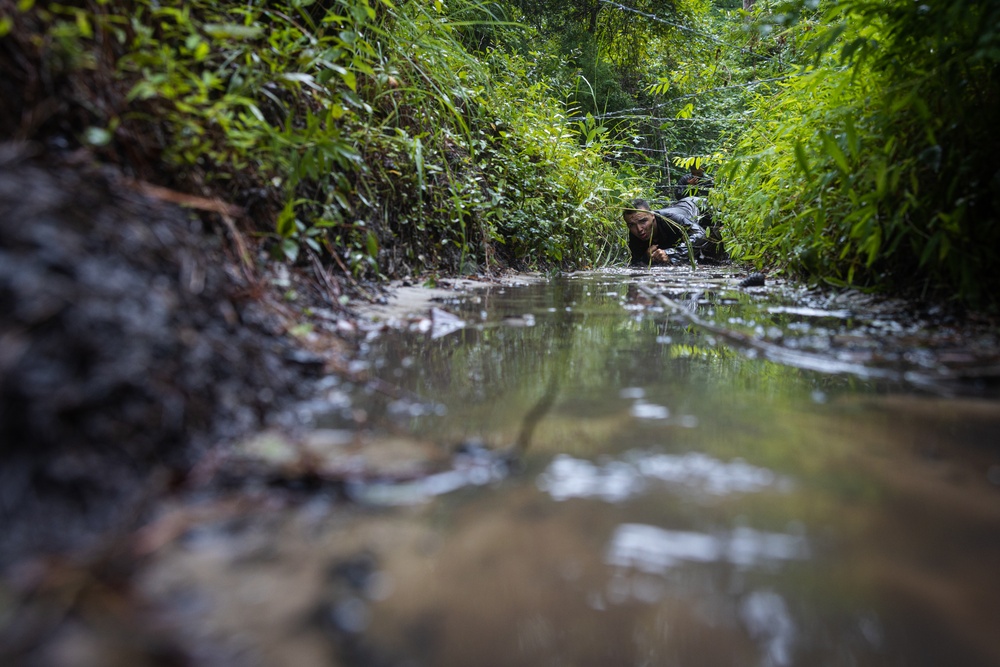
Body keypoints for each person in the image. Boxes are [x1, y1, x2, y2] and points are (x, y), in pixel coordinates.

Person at [623, 197, 709, 266]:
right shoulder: (634, 232)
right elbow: (635, 263)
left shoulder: (671, 220)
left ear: (652, 215)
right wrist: (647, 257)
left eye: (643, 221)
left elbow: (701, 234)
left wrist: (671, 254)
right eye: (631, 225)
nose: (639, 229)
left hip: (700, 206)